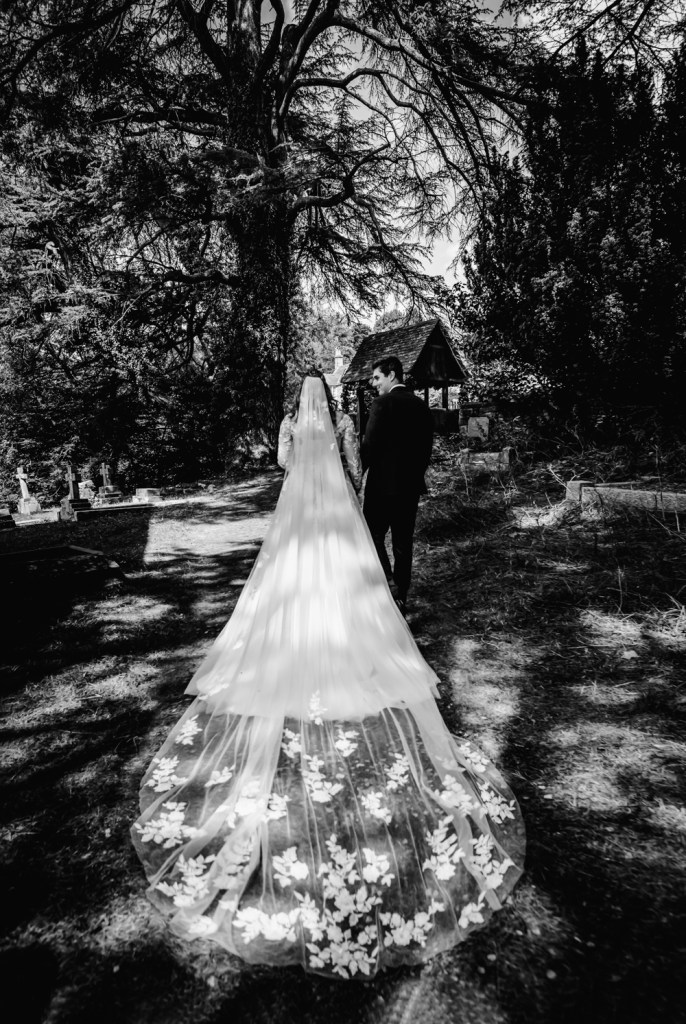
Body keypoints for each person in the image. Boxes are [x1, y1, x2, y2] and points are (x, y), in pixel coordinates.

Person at [131, 376, 524, 980]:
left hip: (296, 516)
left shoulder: (291, 428)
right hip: (334, 512)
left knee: (288, 586)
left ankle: (299, 645)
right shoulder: (340, 426)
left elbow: (286, 464)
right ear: (329, 400)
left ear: (297, 402)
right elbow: (347, 463)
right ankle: (348, 645)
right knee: (344, 584)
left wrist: (291, 445)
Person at [362, 356, 433, 615]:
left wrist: (358, 473)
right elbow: (426, 449)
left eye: (377, 377)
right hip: (410, 488)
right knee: (403, 544)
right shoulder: (420, 406)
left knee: (373, 537)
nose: (373, 383)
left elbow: (369, 446)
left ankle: (388, 585)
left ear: (392, 375)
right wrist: (414, 475)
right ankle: (402, 596)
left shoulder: (382, 404)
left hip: (381, 488)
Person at [278, 373, 362, 491]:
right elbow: (354, 462)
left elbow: (283, 460)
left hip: (301, 487)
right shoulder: (343, 420)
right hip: (334, 484)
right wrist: (357, 486)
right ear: (325, 392)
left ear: (302, 394)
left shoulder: (290, 421)